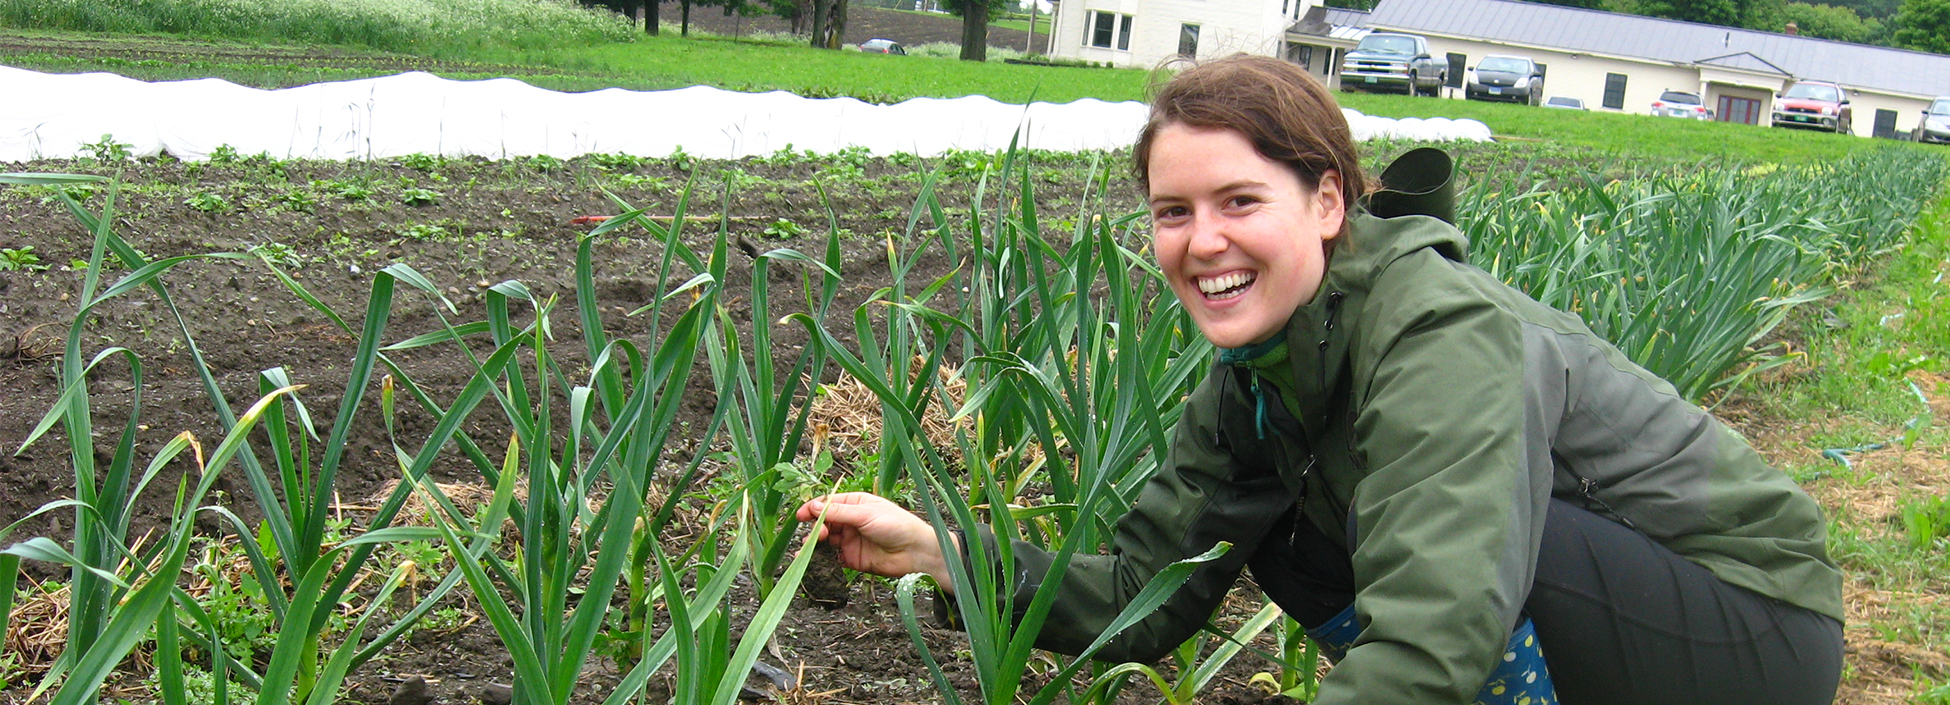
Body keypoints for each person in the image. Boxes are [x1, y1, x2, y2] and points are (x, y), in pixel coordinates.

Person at [795, 54, 1843, 705]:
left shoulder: (1438, 333)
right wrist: (938, 549)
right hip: (1604, 610)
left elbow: (1441, 627)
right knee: (1296, 538)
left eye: (1240, 200)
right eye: (1173, 211)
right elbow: (1143, 595)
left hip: (1751, 628)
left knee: (1455, 545)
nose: (1203, 241)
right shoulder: (1258, 374)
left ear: (1329, 204)